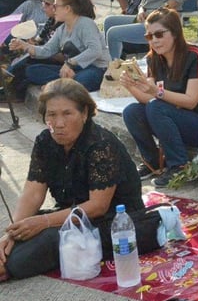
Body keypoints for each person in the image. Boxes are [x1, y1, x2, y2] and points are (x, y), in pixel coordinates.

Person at [0, 79, 144, 281]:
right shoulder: (45, 142)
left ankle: (11, 267)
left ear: (84, 113)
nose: (58, 123)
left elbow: (97, 206)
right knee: (19, 236)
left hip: (112, 221)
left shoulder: (100, 145)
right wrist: (12, 234)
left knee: (35, 248)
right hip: (69, 215)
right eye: (51, 115)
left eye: (67, 114)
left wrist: (45, 222)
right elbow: (33, 192)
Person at [119, 9, 198, 187]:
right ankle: (153, 163)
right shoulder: (154, 59)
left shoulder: (194, 55)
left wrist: (157, 92)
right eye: (149, 36)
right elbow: (147, 99)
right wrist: (130, 86)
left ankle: (179, 166)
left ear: (175, 32)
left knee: (156, 106)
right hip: (174, 117)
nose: (154, 41)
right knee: (131, 111)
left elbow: (191, 101)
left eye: (159, 34)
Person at [9, 0, 109, 96]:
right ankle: (61, 85)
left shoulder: (85, 23)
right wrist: (24, 45)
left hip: (96, 68)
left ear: (67, 8)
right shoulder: (62, 29)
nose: (53, 9)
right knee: (32, 70)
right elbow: (47, 50)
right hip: (74, 70)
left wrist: (70, 63)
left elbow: (95, 50)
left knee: (83, 79)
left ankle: (58, 86)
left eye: (56, 6)